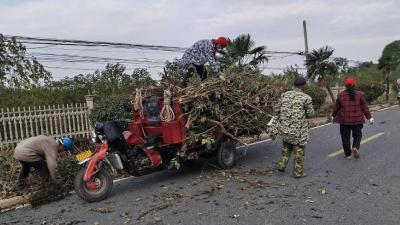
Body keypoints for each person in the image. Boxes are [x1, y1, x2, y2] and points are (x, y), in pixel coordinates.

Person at [274, 77, 314, 178]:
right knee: (299, 151)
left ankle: (282, 165)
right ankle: (298, 172)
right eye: (306, 84)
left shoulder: (284, 95)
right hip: (298, 130)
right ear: (303, 85)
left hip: (284, 128)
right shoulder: (306, 98)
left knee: (286, 146)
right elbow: (310, 114)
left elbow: (276, 109)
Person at [332, 77, 373, 160]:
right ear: (354, 85)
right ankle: (355, 147)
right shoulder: (360, 94)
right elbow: (364, 107)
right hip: (357, 120)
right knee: (358, 135)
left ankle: (348, 155)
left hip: (344, 121)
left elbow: (336, 107)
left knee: (345, 138)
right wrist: (370, 117)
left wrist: (333, 115)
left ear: (345, 85)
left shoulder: (340, 95)